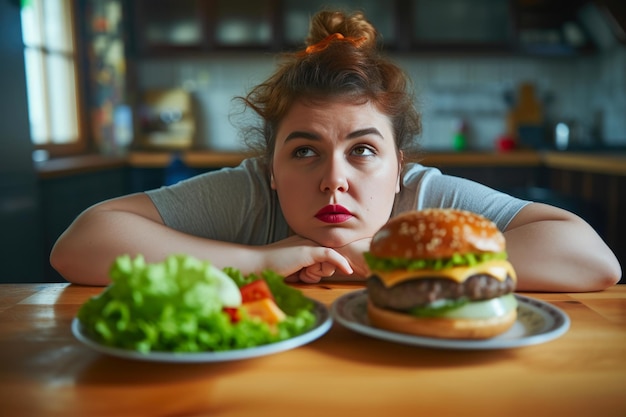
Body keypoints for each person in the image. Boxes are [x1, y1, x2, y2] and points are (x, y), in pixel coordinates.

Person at [50, 10, 621, 291]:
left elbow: (593, 263)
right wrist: (265, 262)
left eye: (363, 151)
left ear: (400, 168)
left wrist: (382, 259)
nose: (333, 179)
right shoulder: (249, 193)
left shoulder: (422, 196)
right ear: (270, 169)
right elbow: (79, 246)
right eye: (303, 152)